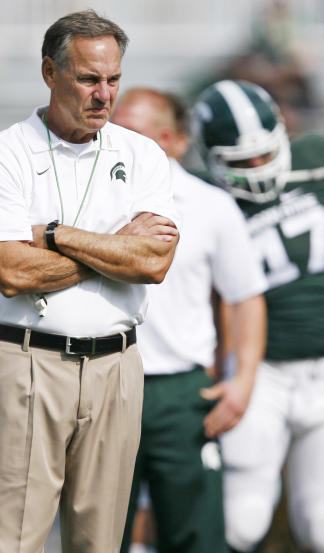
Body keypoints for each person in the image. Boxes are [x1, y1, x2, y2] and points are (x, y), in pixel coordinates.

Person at [0, 10, 179, 553]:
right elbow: (11, 271)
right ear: (50, 72)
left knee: (100, 542)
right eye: (89, 78)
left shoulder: (143, 154)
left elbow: (155, 263)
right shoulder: (3, 154)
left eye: (113, 79)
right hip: (28, 360)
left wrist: (56, 235)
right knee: (11, 541)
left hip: (117, 366)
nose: (103, 94)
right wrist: (114, 245)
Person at [111, 88, 267, 553]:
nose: (117, 143)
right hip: (104, 380)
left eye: (133, 132)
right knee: (99, 535)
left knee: (196, 535)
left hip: (180, 392)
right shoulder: (90, 198)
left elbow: (246, 298)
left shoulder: (210, 205)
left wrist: (243, 384)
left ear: (171, 140)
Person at [192, 78, 324, 553]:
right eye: (240, 162)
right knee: (242, 520)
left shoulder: (315, 160)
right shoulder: (202, 198)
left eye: (264, 155)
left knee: (320, 525)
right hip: (259, 371)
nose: (256, 169)